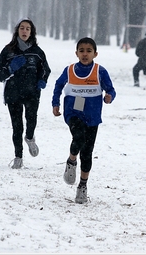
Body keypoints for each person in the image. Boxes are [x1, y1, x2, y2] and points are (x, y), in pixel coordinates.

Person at [52, 37, 116, 204]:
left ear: (95, 53)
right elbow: (58, 86)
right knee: (78, 136)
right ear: (76, 53)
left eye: (89, 51)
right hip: (74, 111)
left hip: (93, 116)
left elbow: (111, 90)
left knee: (87, 153)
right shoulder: (70, 70)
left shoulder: (100, 72)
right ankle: (71, 160)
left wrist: (109, 97)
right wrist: (55, 103)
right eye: (82, 51)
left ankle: (82, 186)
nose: (85, 54)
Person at [0, 17, 51, 169]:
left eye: (27, 28)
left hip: (32, 93)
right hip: (13, 93)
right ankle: (18, 156)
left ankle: (30, 138)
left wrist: (42, 79)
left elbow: (45, 69)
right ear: (17, 31)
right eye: (22, 28)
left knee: (31, 121)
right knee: (17, 126)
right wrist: (10, 68)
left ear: (31, 32)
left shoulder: (37, 52)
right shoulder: (8, 51)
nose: (24, 31)